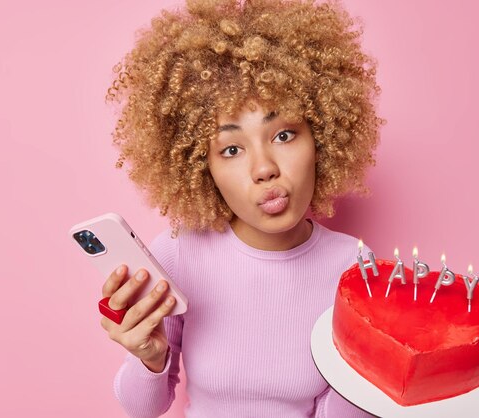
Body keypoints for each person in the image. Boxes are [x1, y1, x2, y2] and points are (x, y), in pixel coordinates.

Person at [100, 0, 383, 416]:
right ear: (202, 167)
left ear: (321, 136)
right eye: (231, 148)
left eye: (284, 134)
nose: (264, 168)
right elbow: (143, 409)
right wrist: (149, 358)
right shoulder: (178, 254)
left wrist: (369, 372)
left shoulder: (353, 267)